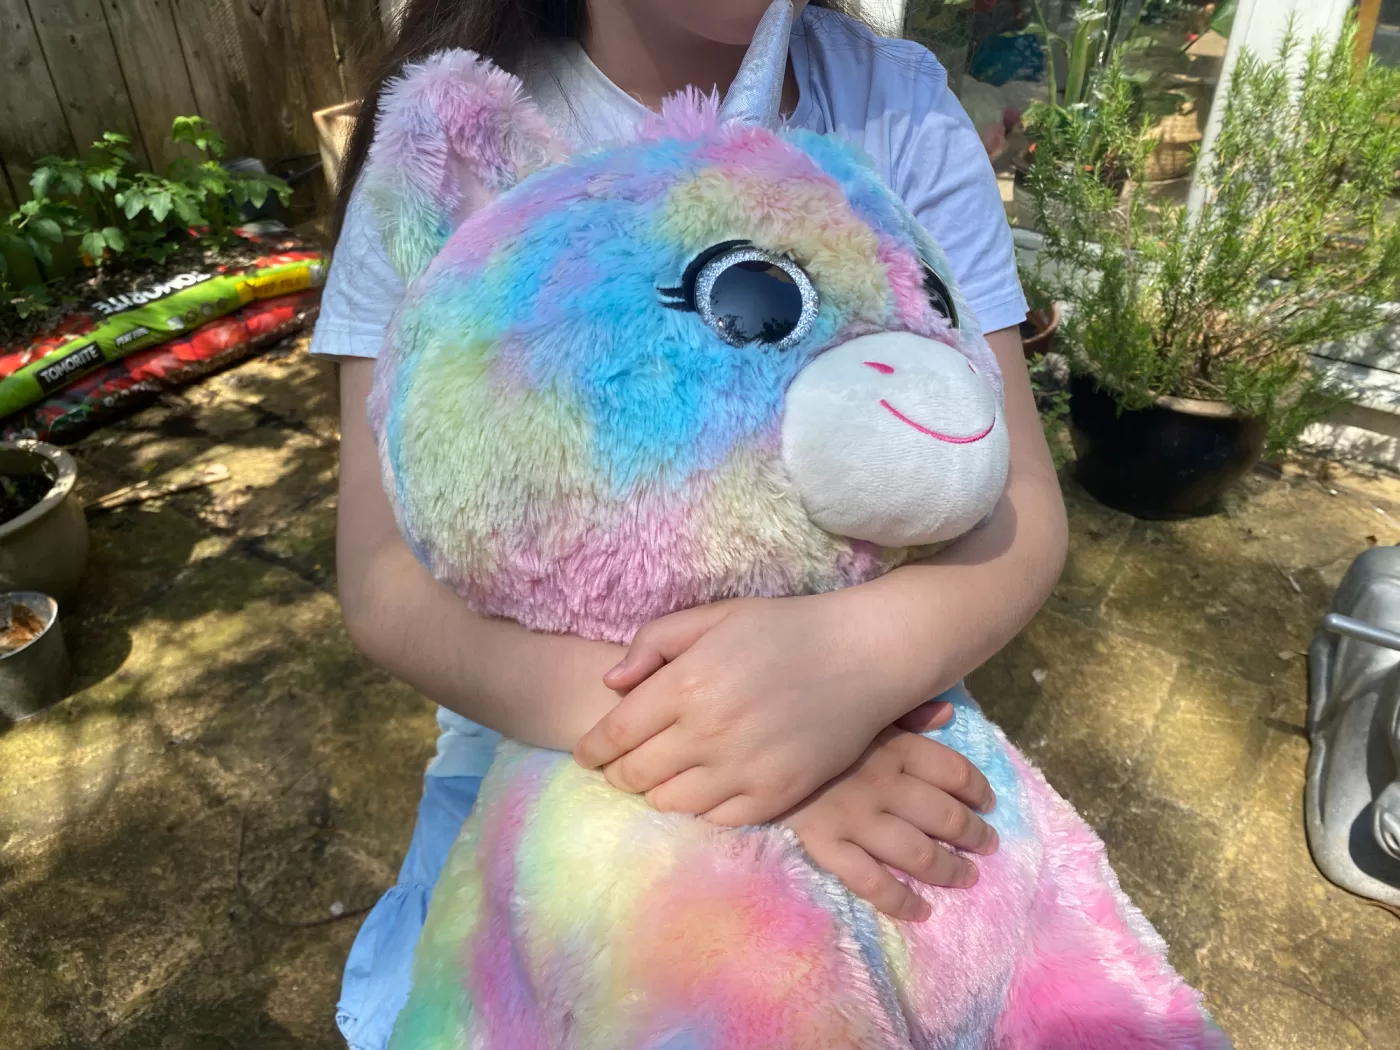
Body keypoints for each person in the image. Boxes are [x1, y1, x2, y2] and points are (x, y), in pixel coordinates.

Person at [311, 1, 1069, 1045]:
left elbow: (1021, 500)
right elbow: (382, 577)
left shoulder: (896, 103)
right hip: (543, 739)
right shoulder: (453, 131)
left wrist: (849, 666)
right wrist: (708, 737)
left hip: (882, 722)